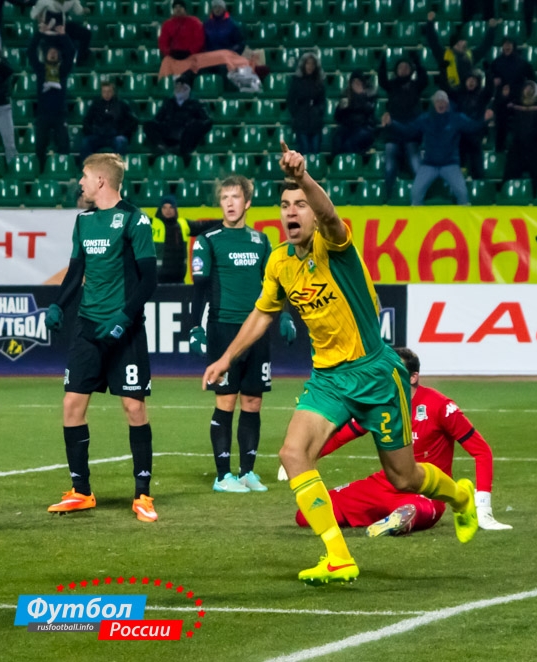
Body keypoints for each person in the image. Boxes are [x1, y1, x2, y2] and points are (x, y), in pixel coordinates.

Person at [202, 142, 479, 585]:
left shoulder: (335, 245)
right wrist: (226, 357)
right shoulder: (279, 262)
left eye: (300, 205)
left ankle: (460, 496)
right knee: (293, 453)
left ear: (312, 213)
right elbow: (263, 313)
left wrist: (304, 177)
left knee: (404, 477)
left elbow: (330, 215)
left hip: (375, 373)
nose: (292, 213)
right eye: (285, 206)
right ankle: (338, 555)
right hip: (328, 379)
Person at [43, 153, 158, 523]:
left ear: (101, 181)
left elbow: (149, 279)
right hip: (88, 328)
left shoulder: (135, 220)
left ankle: (143, 494)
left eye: (85, 176)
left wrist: (124, 318)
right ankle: (81, 491)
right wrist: (58, 304)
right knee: (71, 405)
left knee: (134, 408)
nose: (81, 183)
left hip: (125, 331)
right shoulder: (84, 221)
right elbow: (76, 270)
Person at [291, 347, 512, 535]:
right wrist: (307, 455)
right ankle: (392, 517)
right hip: (384, 484)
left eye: (393, 372)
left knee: (417, 508)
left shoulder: (440, 406)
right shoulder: (381, 404)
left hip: (426, 491)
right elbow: (344, 436)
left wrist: (483, 508)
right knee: (307, 514)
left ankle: (400, 517)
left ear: (413, 377)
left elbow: (481, 451)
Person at [190, 175, 290, 493]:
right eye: (225, 198)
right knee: (226, 400)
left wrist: (285, 316)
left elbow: (274, 285)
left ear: (247, 202)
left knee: (253, 400)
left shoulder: (261, 241)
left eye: (235, 197)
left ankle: (247, 472)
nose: (230, 203)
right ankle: (223, 476)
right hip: (223, 328)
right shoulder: (208, 240)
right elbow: (200, 288)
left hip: (256, 330)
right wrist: (195, 326)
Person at [381, 90, 493, 206]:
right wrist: (392, 124)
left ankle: (464, 216)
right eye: (438, 101)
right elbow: (408, 131)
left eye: (443, 101)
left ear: (447, 104)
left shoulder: (457, 118)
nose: (441, 103)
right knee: (415, 194)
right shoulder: (425, 119)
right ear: (434, 104)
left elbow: (473, 127)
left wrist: (485, 120)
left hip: (450, 164)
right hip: (429, 164)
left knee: (463, 194)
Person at [377, 49, 428, 200]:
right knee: (389, 166)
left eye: (406, 67)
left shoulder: (415, 85)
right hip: (393, 133)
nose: (403, 69)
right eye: (400, 67)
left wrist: (417, 61)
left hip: (411, 132)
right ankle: (388, 197)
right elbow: (382, 80)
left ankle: (420, 197)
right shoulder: (391, 85)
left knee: (416, 166)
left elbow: (424, 79)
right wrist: (382, 61)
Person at [28, 32, 73, 173]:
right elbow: (30, 51)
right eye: (50, 52)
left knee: (64, 145)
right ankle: (41, 173)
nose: (52, 54)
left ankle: (62, 170)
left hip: (60, 115)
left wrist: (63, 35)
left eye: (55, 52)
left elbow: (71, 52)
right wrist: (39, 34)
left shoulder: (63, 70)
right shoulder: (40, 70)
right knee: (40, 146)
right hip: (43, 114)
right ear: (45, 55)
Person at [144, 73, 212, 166]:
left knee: (194, 128)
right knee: (149, 125)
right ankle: (161, 147)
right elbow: (158, 118)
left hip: (185, 135)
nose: (179, 89)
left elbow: (206, 121)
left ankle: (181, 150)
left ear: (187, 89)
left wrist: (193, 124)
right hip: (169, 131)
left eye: (182, 87)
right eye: (177, 87)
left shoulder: (197, 104)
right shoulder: (168, 102)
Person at [423, 11, 497, 95]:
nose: (465, 43)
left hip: (466, 95)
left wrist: (491, 29)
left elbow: (485, 46)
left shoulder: (470, 55)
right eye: (462, 41)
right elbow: (433, 42)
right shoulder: (444, 55)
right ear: (456, 44)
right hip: (449, 95)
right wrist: (430, 23)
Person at [151, 193, 218, 283]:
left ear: (175, 209)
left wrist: (223, 222)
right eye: (164, 207)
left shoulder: (183, 224)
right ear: (160, 209)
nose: (168, 210)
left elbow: (204, 225)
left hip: (179, 278)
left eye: (171, 207)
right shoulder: (151, 224)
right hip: (157, 280)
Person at [502, 80, 537, 192]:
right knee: (510, 177)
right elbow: (503, 112)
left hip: (535, 147)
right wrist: (505, 98)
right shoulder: (516, 103)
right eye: (526, 87)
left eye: (531, 88)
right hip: (517, 147)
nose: (529, 90)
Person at [488, 37, 535, 152]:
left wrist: (526, 90)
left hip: (518, 101)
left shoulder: (522, 63)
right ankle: (499, 153)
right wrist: (494, 81)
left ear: (513, 46)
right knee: (500, 130)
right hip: (501, 102)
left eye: (509, 44)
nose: (507, 46)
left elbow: (532, 80)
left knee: (519, 130)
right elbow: (490, 78)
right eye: (505, 44)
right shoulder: (496, 62)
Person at [78, 79, 138, 166]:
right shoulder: (96, 105)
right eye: (104, 92)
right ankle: (87, 168)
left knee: (121, 141)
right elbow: (86, 121)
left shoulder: (122, 105)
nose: (106, 94)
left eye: (109, 91)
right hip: (98, 135)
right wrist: (93, 131)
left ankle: (117, 168)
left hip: (115, 136)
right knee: (86, 142)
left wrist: (121, 132)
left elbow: (132, 121)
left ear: (113, 92)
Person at [286, 52, 326, 156]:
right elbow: (291, 100)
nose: (310, 66)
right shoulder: (297, 81)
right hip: (301, 121)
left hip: (315, 122)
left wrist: (318, 111)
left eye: (312, 64)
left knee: (315, 151)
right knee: (304, 150)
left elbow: (322, 101)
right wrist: (297, 113)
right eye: (308, 63)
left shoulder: (319, 82)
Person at [331, 70, 376, 158]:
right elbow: (337, 118)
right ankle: (338, 162)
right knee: (337, 140)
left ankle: (354, 162)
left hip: (365, 127)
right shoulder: (346, 96)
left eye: (358, 82)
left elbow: (369, 111)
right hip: (348, 127)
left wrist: (360, 96)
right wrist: (340, 109)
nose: (356, 84)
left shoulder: (368, 96)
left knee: (349, 143)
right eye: (354, 82)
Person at [30, 0, 90, 66]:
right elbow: (33, 15)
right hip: (48, 32)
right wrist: (41, 21)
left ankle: (80, 62)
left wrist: (84, 10)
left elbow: (78, 11)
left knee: (85, 34)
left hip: (62, 28)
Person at [0, 34, 18, 165]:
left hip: (3, 108)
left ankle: (13, 169)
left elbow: (9, 71)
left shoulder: (2, 61)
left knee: (10, 144)